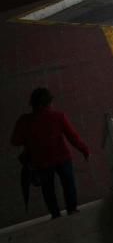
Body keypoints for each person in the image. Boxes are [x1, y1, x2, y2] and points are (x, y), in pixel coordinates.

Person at [10, 88, 90, 219]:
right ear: (46, 104)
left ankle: (55, 214)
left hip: (41, 162)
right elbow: (73, 137)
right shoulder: (58, 116)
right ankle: (72, 209)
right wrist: (84, 150)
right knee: (68, 183)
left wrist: (29, 139)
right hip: (62, 157)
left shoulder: (24, 121)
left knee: (48, 189)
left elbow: (15, 141)